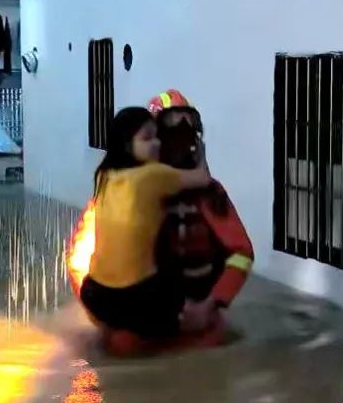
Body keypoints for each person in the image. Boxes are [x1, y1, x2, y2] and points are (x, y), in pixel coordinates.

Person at [78, 106, 212, 339]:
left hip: (93, 294)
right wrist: (201, 152)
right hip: (135, 299)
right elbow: (203, 179)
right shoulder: (153, 175)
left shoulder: (104, 175)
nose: (157, 143)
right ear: (127, 144)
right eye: (147, 138)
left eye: (157, 136)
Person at [150, 90, 254, 336]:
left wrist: (210, 303)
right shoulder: (136, 193)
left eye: (186, 137)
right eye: (171, 138)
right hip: (150, 312)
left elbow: (242, 253)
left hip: (201, 314)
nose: (179, 147)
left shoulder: (210, 194)